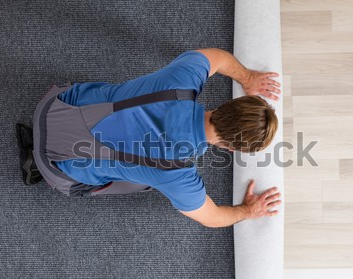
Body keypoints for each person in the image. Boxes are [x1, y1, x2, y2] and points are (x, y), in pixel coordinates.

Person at [17, 48, 282, 228]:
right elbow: (210, 217)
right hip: (52, 166)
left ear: (228, 105)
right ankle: (35, 163)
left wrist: (248, 77)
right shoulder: (177, 174)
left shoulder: (183, 80)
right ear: (232, 149)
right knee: (142, 183)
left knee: (112, 98)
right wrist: (247, 211)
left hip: (52, 106)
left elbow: (218, 58)